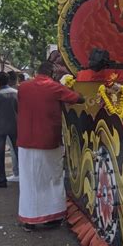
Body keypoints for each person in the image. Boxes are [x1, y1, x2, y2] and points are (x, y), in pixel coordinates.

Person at [17, 61, 85, 230]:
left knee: (28, 182)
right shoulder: (54, 87)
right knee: (51, 180)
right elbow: (78, 98)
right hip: (48, 141)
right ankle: (52, 217)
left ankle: (29, 220)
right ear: (53, 73)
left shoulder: (23, 87)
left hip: (25, 142)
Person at [0, 72, 18, 188]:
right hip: (15, 127)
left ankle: (2, 179)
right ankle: (24, 178)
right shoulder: (16, 93)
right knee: (18, 153)